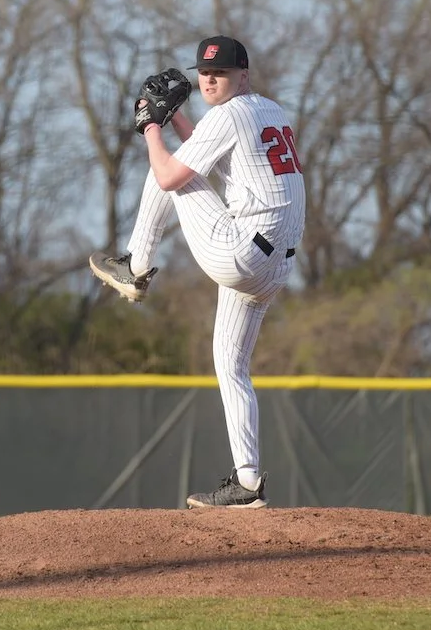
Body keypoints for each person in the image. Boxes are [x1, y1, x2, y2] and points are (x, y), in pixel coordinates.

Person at [90, 35, 306, 509]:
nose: (210, 79)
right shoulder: (268, 110)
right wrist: (175, 120)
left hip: (242, 252)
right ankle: (248, 483)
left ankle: (136, 266)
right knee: (230, 365)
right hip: (275, 264)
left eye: (222, 72)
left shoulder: (229, 115)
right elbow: (208, 153)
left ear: (243, 75)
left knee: (162, 169)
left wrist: (151, 126)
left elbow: (171, 175)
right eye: (205, 72)